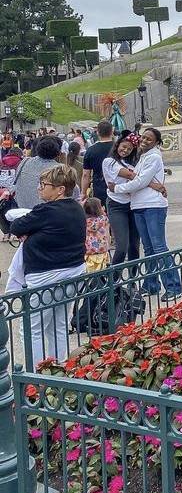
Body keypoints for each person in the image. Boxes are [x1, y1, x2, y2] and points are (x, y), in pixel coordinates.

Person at [9, 165, 87, 364]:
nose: (39, 188)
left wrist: (30, 233)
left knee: (31, 328)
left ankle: (36, 373)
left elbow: (16, 226)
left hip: (45, 276)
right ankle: (59, 367)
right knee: (59, 324)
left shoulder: (45, 211)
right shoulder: (76, 209)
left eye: (44, 185)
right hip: (72, 272)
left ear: (60, 189)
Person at [111, 127, 181, 301]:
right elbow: (139, 178)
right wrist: (149, 184)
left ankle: (173, 286)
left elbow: (140, 180)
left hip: (153, 205)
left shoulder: (154, 157)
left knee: (159, 246)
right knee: (149, 248)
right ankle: (151, 284)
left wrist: (118, 188)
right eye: (143, 137)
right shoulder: (143, 156)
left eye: (149, 139)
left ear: (157, 143)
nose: (144, 140)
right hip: (138, 205)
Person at [103, 131, 143, 266]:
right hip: (116, 205)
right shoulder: (109, 162)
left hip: (133, 204)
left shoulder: (131, 164)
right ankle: (114, 277)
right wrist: (149, 182)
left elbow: (139, 178)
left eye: (129, 149)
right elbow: (132, 176)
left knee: (134, 246)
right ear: (117, 145)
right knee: (122, 247)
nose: (125, 150)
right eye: (123, 147)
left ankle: (133, 276)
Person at [11, 135, 62, 211]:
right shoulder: (60, 169)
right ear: (58, 152)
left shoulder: (24, 161)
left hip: (20, 209)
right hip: (43, 213)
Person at [80, 120, 115, 204]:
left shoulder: (91, 150)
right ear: (112, 132)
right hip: (118, 187)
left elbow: (86, 175)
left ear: (98, 133)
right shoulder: (119, 148)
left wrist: (83, 192)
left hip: (99, 187)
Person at [83, 196, 111, 273]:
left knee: (89, 273)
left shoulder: (84, 221)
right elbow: (107, 233)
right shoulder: (103, 219)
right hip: (102, 250)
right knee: (102, 272)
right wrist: (108, 245)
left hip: (88, 252)